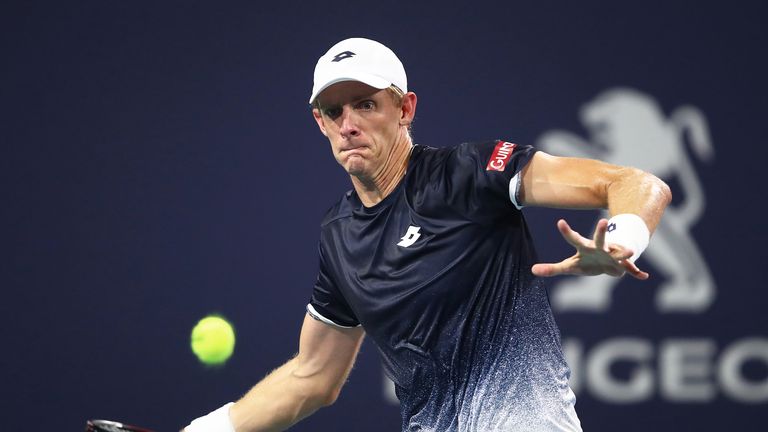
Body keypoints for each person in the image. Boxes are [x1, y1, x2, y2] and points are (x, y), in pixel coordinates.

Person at [184, 37, 671, 432]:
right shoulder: (339, 238)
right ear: (320, 123)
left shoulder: (470, 173)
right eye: (334, 111)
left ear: (405, 108)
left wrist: (622, 240)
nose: (348, 125)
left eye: (366, 104)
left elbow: (636, 183)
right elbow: (311, 378)